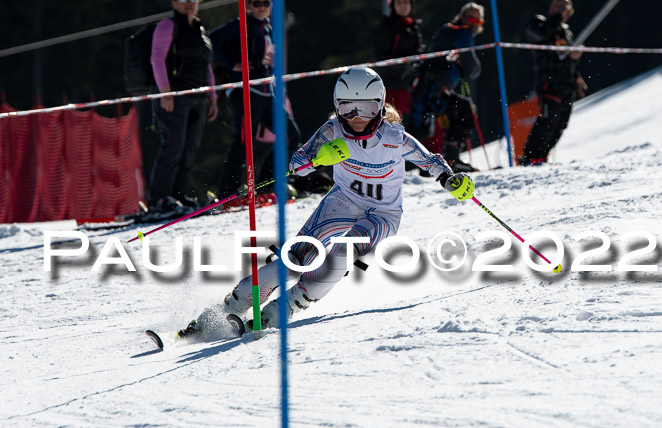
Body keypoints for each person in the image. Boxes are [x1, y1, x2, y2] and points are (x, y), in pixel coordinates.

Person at [178, 66, 475, 335]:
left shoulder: (393, 137)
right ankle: (227, 308)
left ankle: (285, 308)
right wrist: (320, 158)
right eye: (348, 108)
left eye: (367, 108)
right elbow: (297, 163)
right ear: (337, 106)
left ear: (381, 106)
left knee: (340, 256)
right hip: (342, 201)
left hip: (383, 214)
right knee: (293, 261)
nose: (357, 118)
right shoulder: (332, 131)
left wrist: (450, 179)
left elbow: (430, 160)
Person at [210, 0, 301, 198]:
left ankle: (267, 184)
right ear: (248, 5)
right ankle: (226, 194)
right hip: (246, 92)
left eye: (265, 3)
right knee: (243, 144)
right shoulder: (240, 24)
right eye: (256, 3)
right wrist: (232, 64)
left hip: (267, 92)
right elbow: (212, 40)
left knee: (290, 136)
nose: (261, 7)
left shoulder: (268, 26)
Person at [148, 0, 218, 217]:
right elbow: (156, 59)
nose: (189, 3)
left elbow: (206, 65)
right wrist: (165, 92)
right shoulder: (168, 26)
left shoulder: (199, 28)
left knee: (189, 149)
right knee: (173, 147)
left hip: (199, 98)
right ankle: (159, 199)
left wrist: (213, 96)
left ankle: (178, 195)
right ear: (173, 2)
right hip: (176, 97)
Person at [410, 3, 485, 171]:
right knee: (464, 112)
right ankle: (451, 160)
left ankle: (447, 160)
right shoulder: (462, 33)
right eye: (471, 18)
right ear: (462, 17)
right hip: (434, 87)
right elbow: (473, 69)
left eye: (478, 21)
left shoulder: (447, 29)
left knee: (425, 122)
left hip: (429, 84)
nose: (473, 24)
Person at [519, 0, 587, 166]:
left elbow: (567, 56)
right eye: (562, 9)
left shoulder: (565, 31)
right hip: (549, 81)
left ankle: (542, 156)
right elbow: (539, 34)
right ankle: (531, 157)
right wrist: (556, 17)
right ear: (553, 7)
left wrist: (576, 72)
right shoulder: (539, 23)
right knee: (549, 118)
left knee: (561, 122)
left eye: (568, 12)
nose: (565, 15)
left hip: (567, 83)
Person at [373, 0, 426, 120]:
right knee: (391, 122)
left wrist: (416, 65)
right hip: (391, 85)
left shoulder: (413, 25)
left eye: (406, 3)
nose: (403, 6)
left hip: (410, 85)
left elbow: (419, 50)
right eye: (399, 3)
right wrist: (404, 67)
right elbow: (380, 57)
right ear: (393, 6)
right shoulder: (387, 27)